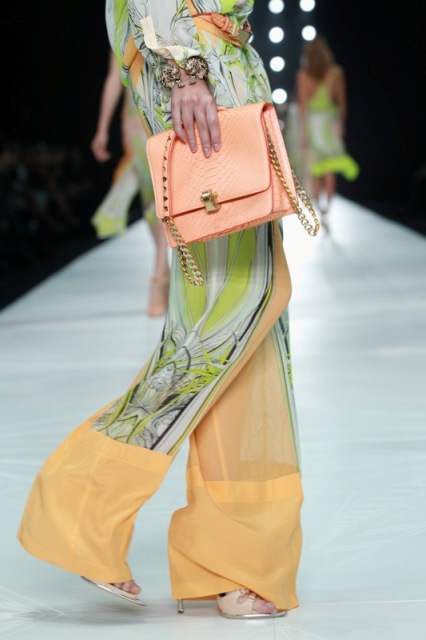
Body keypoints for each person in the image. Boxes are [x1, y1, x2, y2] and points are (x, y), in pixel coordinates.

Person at [17, 0, 304, 619]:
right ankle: (81, 500)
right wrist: (184, 70)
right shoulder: (188, 66)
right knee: (235, 311)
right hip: (199, 70)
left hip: (215, 64)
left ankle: (229, 559)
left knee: (245, 328)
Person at [91, 52, 170, 316]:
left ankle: (159, 276)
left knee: (163, 195)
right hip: (134, 121)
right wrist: (102, 129)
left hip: (166, 112)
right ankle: (164, 270)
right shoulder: (120, 33)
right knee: (150, 198)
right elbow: (114, 78)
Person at [296, 35, 359, 231]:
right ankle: (327, 211)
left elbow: (303, 107)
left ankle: (321, 210)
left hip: (313, 125)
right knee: (330, 170)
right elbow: (342, 103)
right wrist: (341, 124)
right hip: (330, 124)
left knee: (316, 170)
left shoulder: (303, 75)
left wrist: (303, 134)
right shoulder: (336, 73)